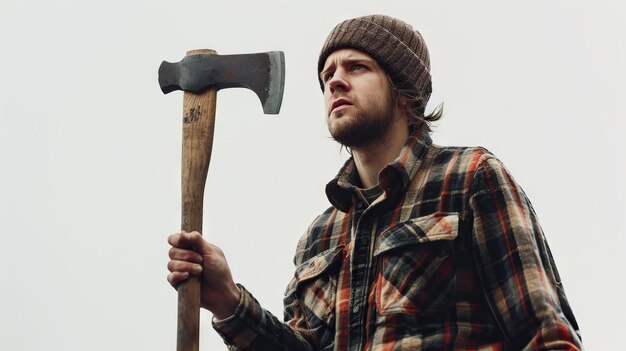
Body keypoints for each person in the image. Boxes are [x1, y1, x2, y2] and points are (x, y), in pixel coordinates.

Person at [167, 14, 583, 350]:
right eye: (327, 73)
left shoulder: (471, 178)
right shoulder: (319, 237)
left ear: (403, 90)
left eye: (357, 67)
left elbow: (545, 334)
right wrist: (227, 301)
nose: (334, 81)